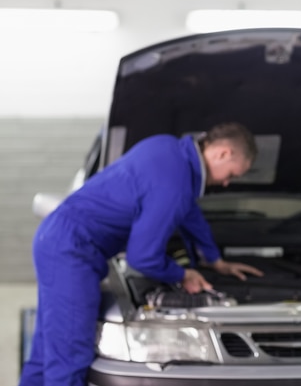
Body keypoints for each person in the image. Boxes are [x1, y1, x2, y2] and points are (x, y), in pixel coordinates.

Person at [19, 122, 265, 386]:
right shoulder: (175, 183)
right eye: (231, 175)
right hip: (73, 252)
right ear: (223, 153)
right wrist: (182, 274)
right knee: (70, 357)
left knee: (47, 353)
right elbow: (142, 257)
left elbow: (190, 215)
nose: (227, 183)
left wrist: (215, 261)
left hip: (58, 242)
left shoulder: (168, 148)